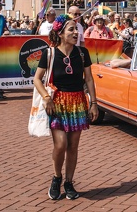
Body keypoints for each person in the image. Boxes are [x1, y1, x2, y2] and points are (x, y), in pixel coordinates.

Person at [33, 14, 98, 200]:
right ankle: (56, 177)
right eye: (71, 29)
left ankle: (69, 182)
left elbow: (89, 79)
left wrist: (94, 103)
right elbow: (37, 79)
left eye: (76, 29)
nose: (76, 32)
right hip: (57, 103)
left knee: (73, 145)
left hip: (78, 102)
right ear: (60, 33)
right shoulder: (50, 53)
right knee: (60, 144)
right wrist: (46, 97)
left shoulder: (82, 53)